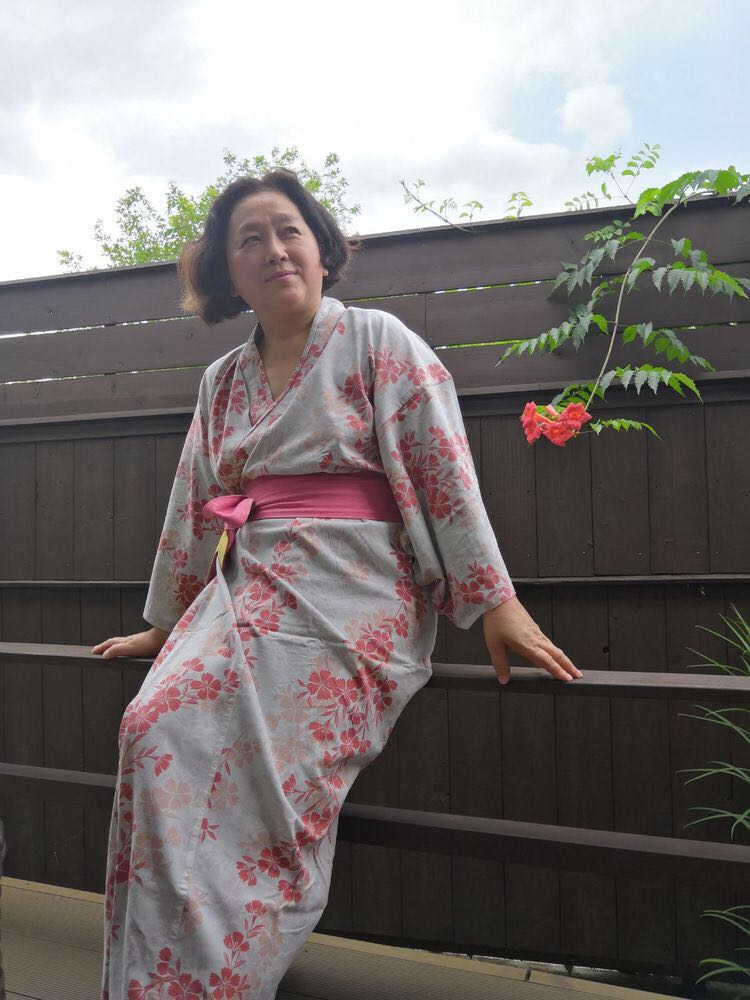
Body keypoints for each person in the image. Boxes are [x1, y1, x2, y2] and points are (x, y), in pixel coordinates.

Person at [91, 169, 582, 999]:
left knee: (270, 782)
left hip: (356, 590)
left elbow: (442, 470)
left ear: (321, 248)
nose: (274, 250)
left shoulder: (379, 341)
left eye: (289, 230)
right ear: (228, 271)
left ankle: (222, 973)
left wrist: (496, 602)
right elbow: (194, 504)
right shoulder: (222, 382)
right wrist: (167, 622)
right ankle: (158, 978)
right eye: (249, 239)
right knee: (152, 726)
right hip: (245, 588)